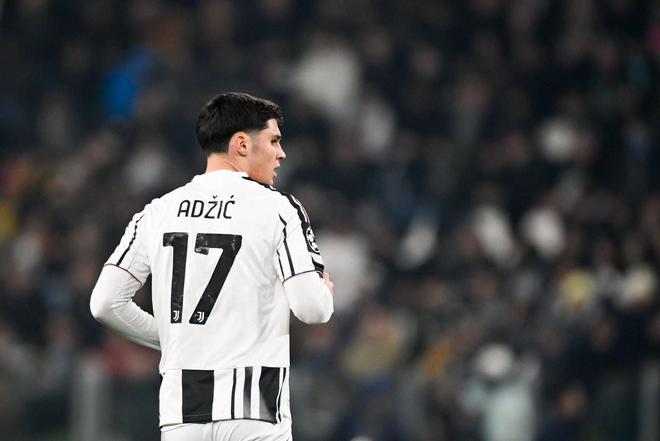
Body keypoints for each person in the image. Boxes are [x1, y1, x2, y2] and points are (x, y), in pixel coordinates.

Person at [90, 92, 335, 441]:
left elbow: (105, 303)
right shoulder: (278, 209)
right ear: (242, 145)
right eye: (274, 141)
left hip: (182, 411)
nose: (281, 153)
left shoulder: (158, 211)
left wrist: (174, 338)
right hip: (255, 406)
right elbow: (312, 309)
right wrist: (324, 292)